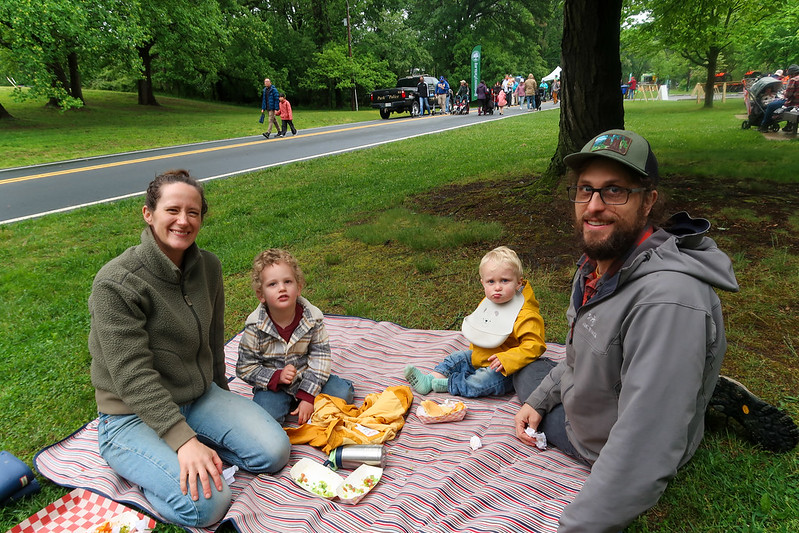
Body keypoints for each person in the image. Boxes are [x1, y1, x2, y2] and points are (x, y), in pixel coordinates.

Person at [512, 129, 798, 532]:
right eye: (585, 190)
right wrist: (541, 400)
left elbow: (641, 451)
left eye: (614, 191)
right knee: (531, 374)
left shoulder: (668, 301)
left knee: (522, 371)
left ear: (648, 202)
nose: (593, 206)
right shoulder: (600, 263)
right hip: (598, 393)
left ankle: (676, 396)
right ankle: (683, 387)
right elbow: (577, 354)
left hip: (602, 440)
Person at [89, 170, 290, 528]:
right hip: (130, 416)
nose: (183, 220)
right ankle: (151, 472)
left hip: (198, 397)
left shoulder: (208, 267)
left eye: (193, 212)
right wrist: (182, 441)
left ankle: (194, 449)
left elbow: (213, 341)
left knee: (275, 452)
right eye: (173, 210)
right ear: (148, 214)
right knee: (208, 507)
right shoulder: (116, 283)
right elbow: (132, 375)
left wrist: (226, 401)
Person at [404, 246, 546, 398]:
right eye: (491, 281)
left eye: (505, 281)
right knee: (456, 358)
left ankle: (450, 384)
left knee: (484, 381)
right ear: (483, 283)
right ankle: (430, 379)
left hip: (507, 368)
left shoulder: (525, 314)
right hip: (481, 355)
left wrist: (507, 359)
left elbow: (535, 346)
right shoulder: (489, 302)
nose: (497, 287)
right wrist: (476, 350)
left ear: (518, 283)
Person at [236, 248, 355, 426]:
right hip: (274, 386)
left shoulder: (312, 318)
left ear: (298, 287)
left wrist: (308, 396)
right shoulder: (255, 327)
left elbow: (320, 357)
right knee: (265, 417)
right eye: (272, 284)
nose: (282, 288)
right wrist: (276, 376)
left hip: (308, 375)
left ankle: (303, 399)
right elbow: (245, 368)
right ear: (261, 295)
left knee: (343, 393)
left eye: (288, 281)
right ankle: (289, 402)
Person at [759, 64, 799, 132]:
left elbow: (788, 95)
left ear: (793, 73)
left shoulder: (794, 80)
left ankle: (764, 125)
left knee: (771, 106)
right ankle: (789, 126)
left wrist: (784, 92)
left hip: (794, 103)